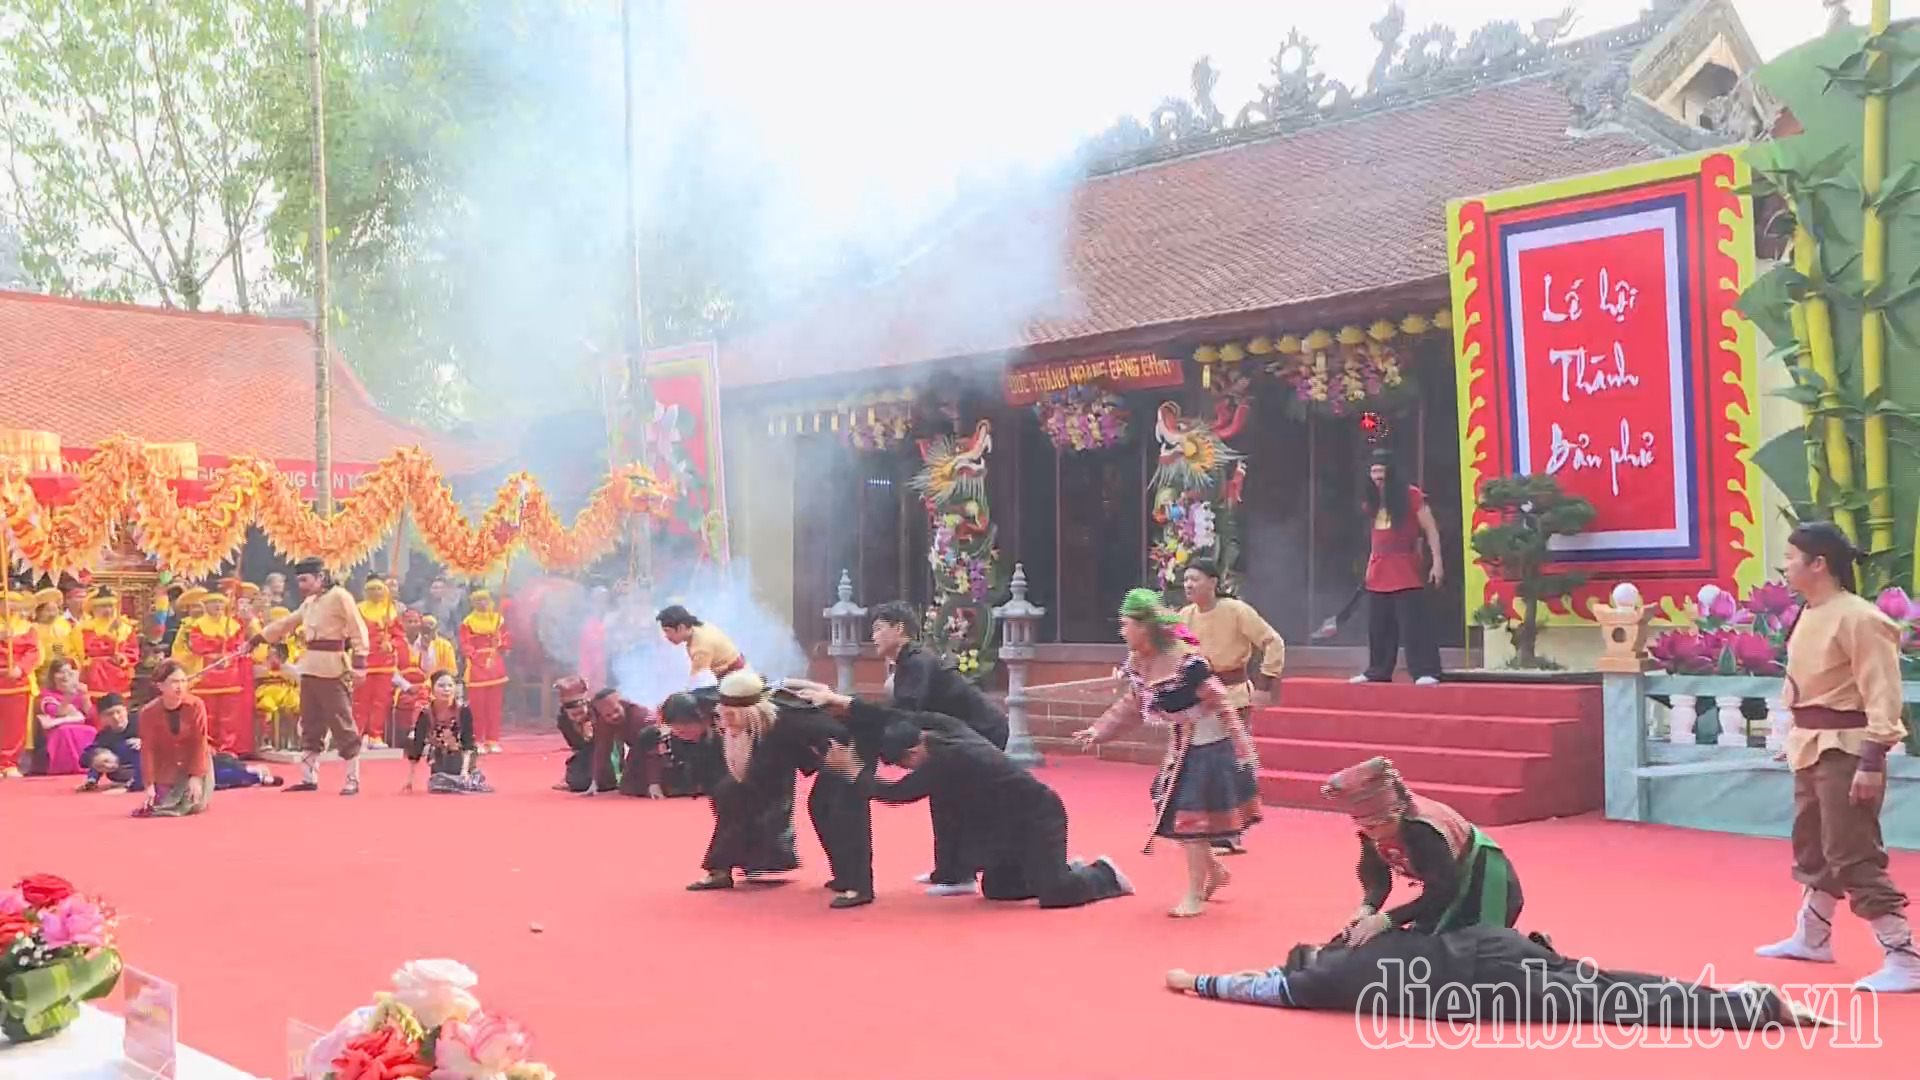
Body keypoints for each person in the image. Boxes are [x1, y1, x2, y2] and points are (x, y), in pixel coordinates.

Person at [1757, 521, 1920, 992]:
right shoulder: (1810, 612)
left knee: (1852, 851)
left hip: (1847, 749)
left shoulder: (1860, 618)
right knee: (1814, 845)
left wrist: (1871, 760)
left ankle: (1905, 955)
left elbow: (1883, 693)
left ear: (1818, 564)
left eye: (1791, 557)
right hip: (1811, 745)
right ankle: (1813, 936)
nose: (1785, 566)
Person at [806, 686, 1133, 910]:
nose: (907, 770)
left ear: (915, 748)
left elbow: (895, 794)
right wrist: (844, 703)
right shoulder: (940, 726)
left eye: (905, 763)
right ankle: (1056, 867)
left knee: (1056, 894)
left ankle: (1103, 873)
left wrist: (850, 770)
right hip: (1006, 822)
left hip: (1039, 815)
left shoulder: (949, 759)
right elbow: (893, 715)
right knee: (997, 889)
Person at [1164, 925, 1834, 1030]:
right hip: (1494, 946)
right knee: (1608, 985)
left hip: (1486, 984)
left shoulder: (1313, 985)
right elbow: (1265, 977)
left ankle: (1745, 1008)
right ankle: (1741, 1002)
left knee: (1611, 1003)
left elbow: (1257, 986)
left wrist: (1196, 981)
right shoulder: (1363, 945)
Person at [1074, 589, 1261, 917]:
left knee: (1191, 819)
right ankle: (1214, 872)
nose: (1123, 633)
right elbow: (1132, 705)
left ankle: (1193, 894)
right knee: (1179, 814)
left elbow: (1220, 701)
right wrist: (1098, 730)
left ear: (1145, 627)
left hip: (1209, 743)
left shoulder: (1187, 663)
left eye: (1127, 625)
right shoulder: (1139, 663)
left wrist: (1242, 746)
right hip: (1182, 744)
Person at [870, 600, 1007, 895]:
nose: (874, 636)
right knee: (942, 796)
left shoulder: (917, 661)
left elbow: (906, 711)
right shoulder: (908, 662)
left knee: (957, 799)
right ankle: (948, 870)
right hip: (957, 734)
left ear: (899, 629)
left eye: (879, 628)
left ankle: (961, 875)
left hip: (982, 731)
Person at [690, 670, 856, 906]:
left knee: (821, 810)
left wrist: (837, 763)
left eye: (732, 716)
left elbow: (832, 735)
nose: (726, 720)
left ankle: (850, 877)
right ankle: (725, 868)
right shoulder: (725, 697)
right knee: (730, 796)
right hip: (766, 758)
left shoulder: (788, 719)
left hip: (829, 758)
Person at [1321, 756, 1522, 942]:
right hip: (1447, 882)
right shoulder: (1372, 831)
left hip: (1484, 876)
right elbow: (1377, 879)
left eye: (1377, 825)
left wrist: (1389, 919)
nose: (1373, 834)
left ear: (1396, 813)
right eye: (1366, 827)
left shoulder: (1423, 832)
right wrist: (1368, 908)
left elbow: (1443, 889)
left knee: (1473, 948)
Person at [1178, 560, 1284, 857]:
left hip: (1233, 697)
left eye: (1194, 579)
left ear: (1213, 581)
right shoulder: (1184, 616)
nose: (1188, 585)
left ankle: (1230, 833)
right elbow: (1171, 653)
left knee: (1229, 763)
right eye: (1185, 580)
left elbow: (1273, 642)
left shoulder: (1236, 610)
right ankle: (1207, 827)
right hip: (1199, 700)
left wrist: (1265, 685)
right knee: (1202, 764)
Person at [251, 557, 369, 795]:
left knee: (342, 723)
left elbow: (358, 629)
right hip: (310, 668)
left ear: (320, 576)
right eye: (299, 581)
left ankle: (352, 779)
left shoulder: (340, 596)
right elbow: (286, 623)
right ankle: (309, 778)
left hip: (334, 668)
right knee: (310, 724)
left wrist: (360, 663)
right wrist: (258, 639)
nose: (302, 585)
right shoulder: (310, 602)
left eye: (305, 580)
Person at [1352, 450, 1445, 685]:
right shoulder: (1371, 498)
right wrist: (1368, 567)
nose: (1377, 477)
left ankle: (1426, 670)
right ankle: (1378, 670)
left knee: (1414, 623)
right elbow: (1374, 537)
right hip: (1378, 567)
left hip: (1405, 566)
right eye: (1373, 472)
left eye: (1381, 472)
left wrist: (1437, 562)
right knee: (1379, 624)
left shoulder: (1411, 495)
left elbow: (1431, 529)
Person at [136, 660, 214, 817]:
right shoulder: (148, 712)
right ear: (160, 686)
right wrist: (149, 784)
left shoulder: (196, 705)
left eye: (183, 681)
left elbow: (199, 743)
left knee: (194, 805)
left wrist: (196, 777)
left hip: (194, 761)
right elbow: (148, 750)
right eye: (174, 682)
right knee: (163, 803)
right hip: (167, 765)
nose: (180, 687)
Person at [187, 586, 252, 755]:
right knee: (208, 713)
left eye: (220, 602)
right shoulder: (198, 625)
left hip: (230, 673)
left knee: (229, 715)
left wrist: (228, 657)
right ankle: (207, 748)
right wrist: (216, 651)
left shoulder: (234, 625)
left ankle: (227, 748)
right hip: (208, 673)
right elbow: (197, 645)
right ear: (206, 605)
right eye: (213, 602)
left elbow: (238, 647)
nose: (217, 606)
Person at [404, 671, 491, 794]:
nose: (446, 689)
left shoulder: (463, 710)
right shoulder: (426, 713)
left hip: (462, 757)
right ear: (433, 689)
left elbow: (468, 742)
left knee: (460, 781)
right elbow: (418, 745)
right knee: (438, 784)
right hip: (439, 757)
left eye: (450, 685)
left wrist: (464, 772)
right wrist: (410, 780)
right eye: (441, 686)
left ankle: (468, 777)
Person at [354, 575, 407, 750]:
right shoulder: (358, 610)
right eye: (372, 589)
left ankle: (375, 735)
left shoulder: (390, 611)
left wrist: (390, 645)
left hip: (385, 663)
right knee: (361, 700)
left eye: (379, 589)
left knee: (380, 700)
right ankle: (357, 734)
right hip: (365, 661)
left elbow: (399, 636)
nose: (376, 592)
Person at [0, 591, 44, 779]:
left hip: (17, 680)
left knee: (14, 725)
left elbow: (35, 651)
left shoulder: (28, 628)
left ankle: (9, 762)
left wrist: (20, 668)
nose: (8, 607)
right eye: (4, 603)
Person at [460, 589, 509, 754]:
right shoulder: (468, 622)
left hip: (495, 665)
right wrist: (476, 657)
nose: (482, 603)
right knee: (477, 707)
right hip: (477, 668)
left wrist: (500, 641)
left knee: (494, 706)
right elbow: (465, 644)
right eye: (478, 600)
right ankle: (477, 739)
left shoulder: (498, 620)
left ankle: (492, 739)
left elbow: (507, 640)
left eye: (485, 600)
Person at [552, 676, 619, 794]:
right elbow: (576, 746)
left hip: (608, 751)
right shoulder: (563, 721)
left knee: (605, 782)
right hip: (586, 753)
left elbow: (610, 743)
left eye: (580, 712)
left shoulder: (599, 712)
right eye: (573, 714)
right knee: (577, 783)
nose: (577, 716)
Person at [73, 587, 137, 708]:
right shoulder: (85, 628)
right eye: (102, 606)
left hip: (118, 675)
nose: (107, 610)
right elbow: (88, 649)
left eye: (110, 606)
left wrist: (123, 658)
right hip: (95, 675)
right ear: (93, 609)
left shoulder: (125, 628)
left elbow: (132, 650)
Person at [36, 658, 98, 776]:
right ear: (53, 676)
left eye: (68, 672)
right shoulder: (47, 693)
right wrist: (68, 696)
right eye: (60, 672)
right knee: (65, 732)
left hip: (79, 726)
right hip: (57, 730)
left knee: (92, 731)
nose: (65, 676)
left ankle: (87, 765)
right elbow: (56, 712)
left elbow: (91, 716)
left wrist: (85, 696)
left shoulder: (79, 692)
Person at [656, 605, 745, 687]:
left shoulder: (701, 647)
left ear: (681, 628)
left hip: (735, 681)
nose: (666, 636)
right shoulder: (700, 628)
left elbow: (697, 682)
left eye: (667, 631)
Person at [79, 693, 138, 791]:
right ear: (102, 718)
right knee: (99, 753)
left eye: (119, 712)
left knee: (134, 746)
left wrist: (146, 742)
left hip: (148, 766)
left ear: (126, 710)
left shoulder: (142, 722)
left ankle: (136, 783)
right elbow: (87, 756)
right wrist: (92, 777)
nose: (115, 717)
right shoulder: (104, 735)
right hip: (119, 770)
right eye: (109, 714)